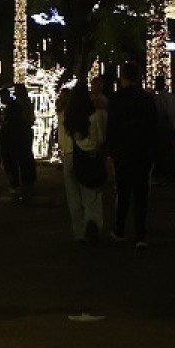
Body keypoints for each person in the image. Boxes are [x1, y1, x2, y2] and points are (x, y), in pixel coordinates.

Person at [104, 67, 159, 245]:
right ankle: (140, 235)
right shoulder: (147, 99)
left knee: (123, 192)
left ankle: (120, 229)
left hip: (123, 152)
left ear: (123, 78)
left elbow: (111, 127)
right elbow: (153, 127)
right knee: (141, 194)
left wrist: (110, 151)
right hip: (142, 152)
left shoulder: (116, 99)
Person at [58, 82, 107, 242]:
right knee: (90, 194)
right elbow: (101, 138)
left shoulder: (66, 116)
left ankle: (79, 232)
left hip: (69, 157)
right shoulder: (94, 115)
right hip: (89, 157)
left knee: (73, 197)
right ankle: (92, 225)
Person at [1, 85, 37, 201]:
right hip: (23, 134)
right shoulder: (23, 104)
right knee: (25, 159)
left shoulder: (18, 106)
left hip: (19, 135)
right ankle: (26, 184)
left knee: (21, 159)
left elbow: (23, 120)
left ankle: (22, 185)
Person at [153, 78, 175, 185]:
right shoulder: (171, 97)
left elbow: (161, 114)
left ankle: (163, 176)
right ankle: (171, 176)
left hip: (162, 130)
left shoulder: (158, 98)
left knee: (162, 154)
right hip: (171, 129)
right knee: (170, 153)